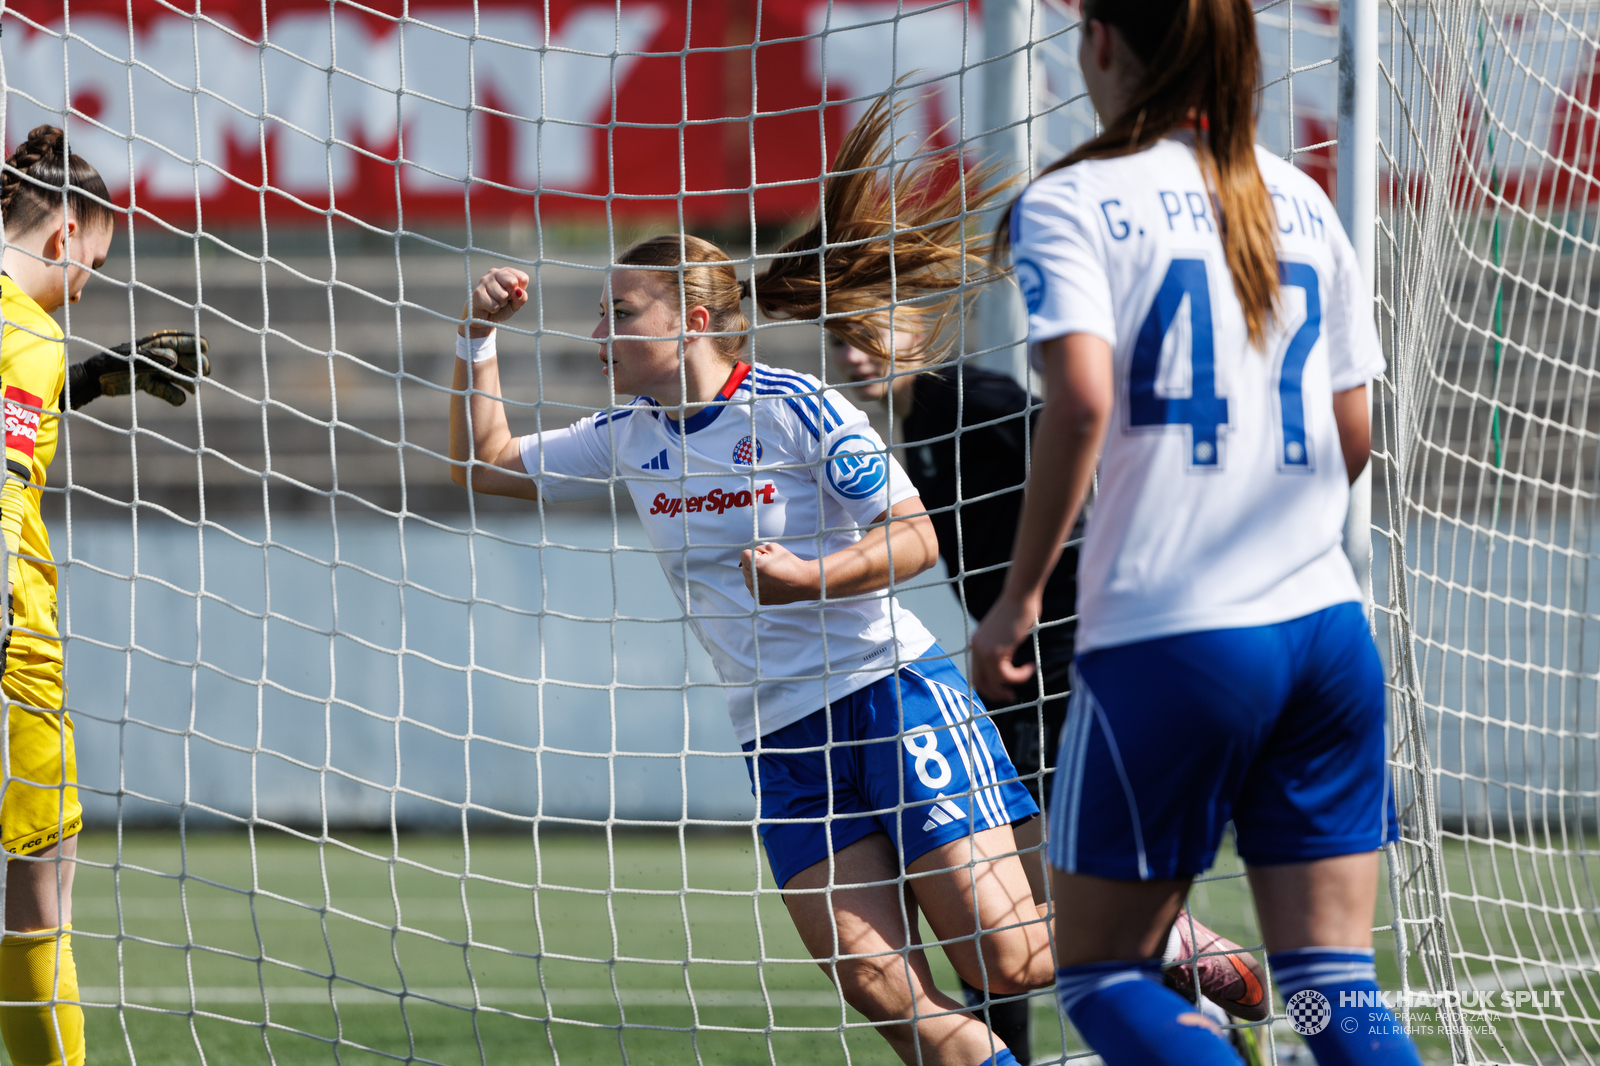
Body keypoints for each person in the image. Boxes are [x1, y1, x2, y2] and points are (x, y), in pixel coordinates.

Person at [449, 95, 1052, 1066]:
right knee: (877, 985)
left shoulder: (794, 406)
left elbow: (912, 541)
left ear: (690, 319)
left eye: (620, 313)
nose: (599, 332)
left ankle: (1170, 944)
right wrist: (476, 340)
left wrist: (809, 576)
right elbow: (483, 463)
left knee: (1009, 957)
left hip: (887, 693)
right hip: (776, 735)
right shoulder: (624, 436)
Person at [968, 2, 1424, 1064]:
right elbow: (1351, 430)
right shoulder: (1299, 198)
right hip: (1325, 633)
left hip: (1175, 637)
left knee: (1104, 972)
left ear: (1098, 42)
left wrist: (1019, 594)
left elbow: (1079, 403)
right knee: (1328, 984)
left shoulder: (1074, 198)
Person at [832, 337, 1267, 1062]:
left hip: (1062, 654)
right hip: (1019, 658)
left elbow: (1077, 440)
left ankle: (1183, 995)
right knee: (1001, 881)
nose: (850, 355)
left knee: (1035, 874)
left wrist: (1033, 603)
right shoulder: (914, 418)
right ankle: (1175, 1002)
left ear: (915, 330)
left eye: (867, 336)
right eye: (837, 339)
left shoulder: (962, 395)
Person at [0, 124, 210, 1066]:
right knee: (39, 891)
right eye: (92, 262)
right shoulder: (28, 332)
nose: (88, 285)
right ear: (61, 237)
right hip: (13, 647)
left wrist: (91, 378)